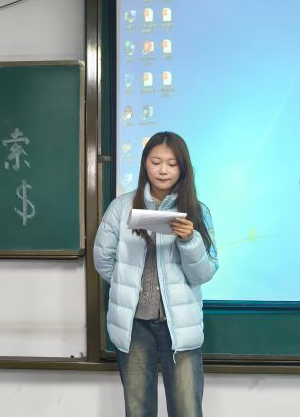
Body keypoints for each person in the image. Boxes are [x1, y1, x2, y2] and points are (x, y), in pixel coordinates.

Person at [93, 131, 218, 417]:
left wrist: (189, 240)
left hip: (180, 326)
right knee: (138, 410)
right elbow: (103, 259)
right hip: (134, 325)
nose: (163, 170)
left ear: (183, 168)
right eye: (155, 162)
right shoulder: (121, 207)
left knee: (187, 410)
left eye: (172, 164)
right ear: (144, 164)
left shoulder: (197, 212)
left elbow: (204, 273)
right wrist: (127, 287)